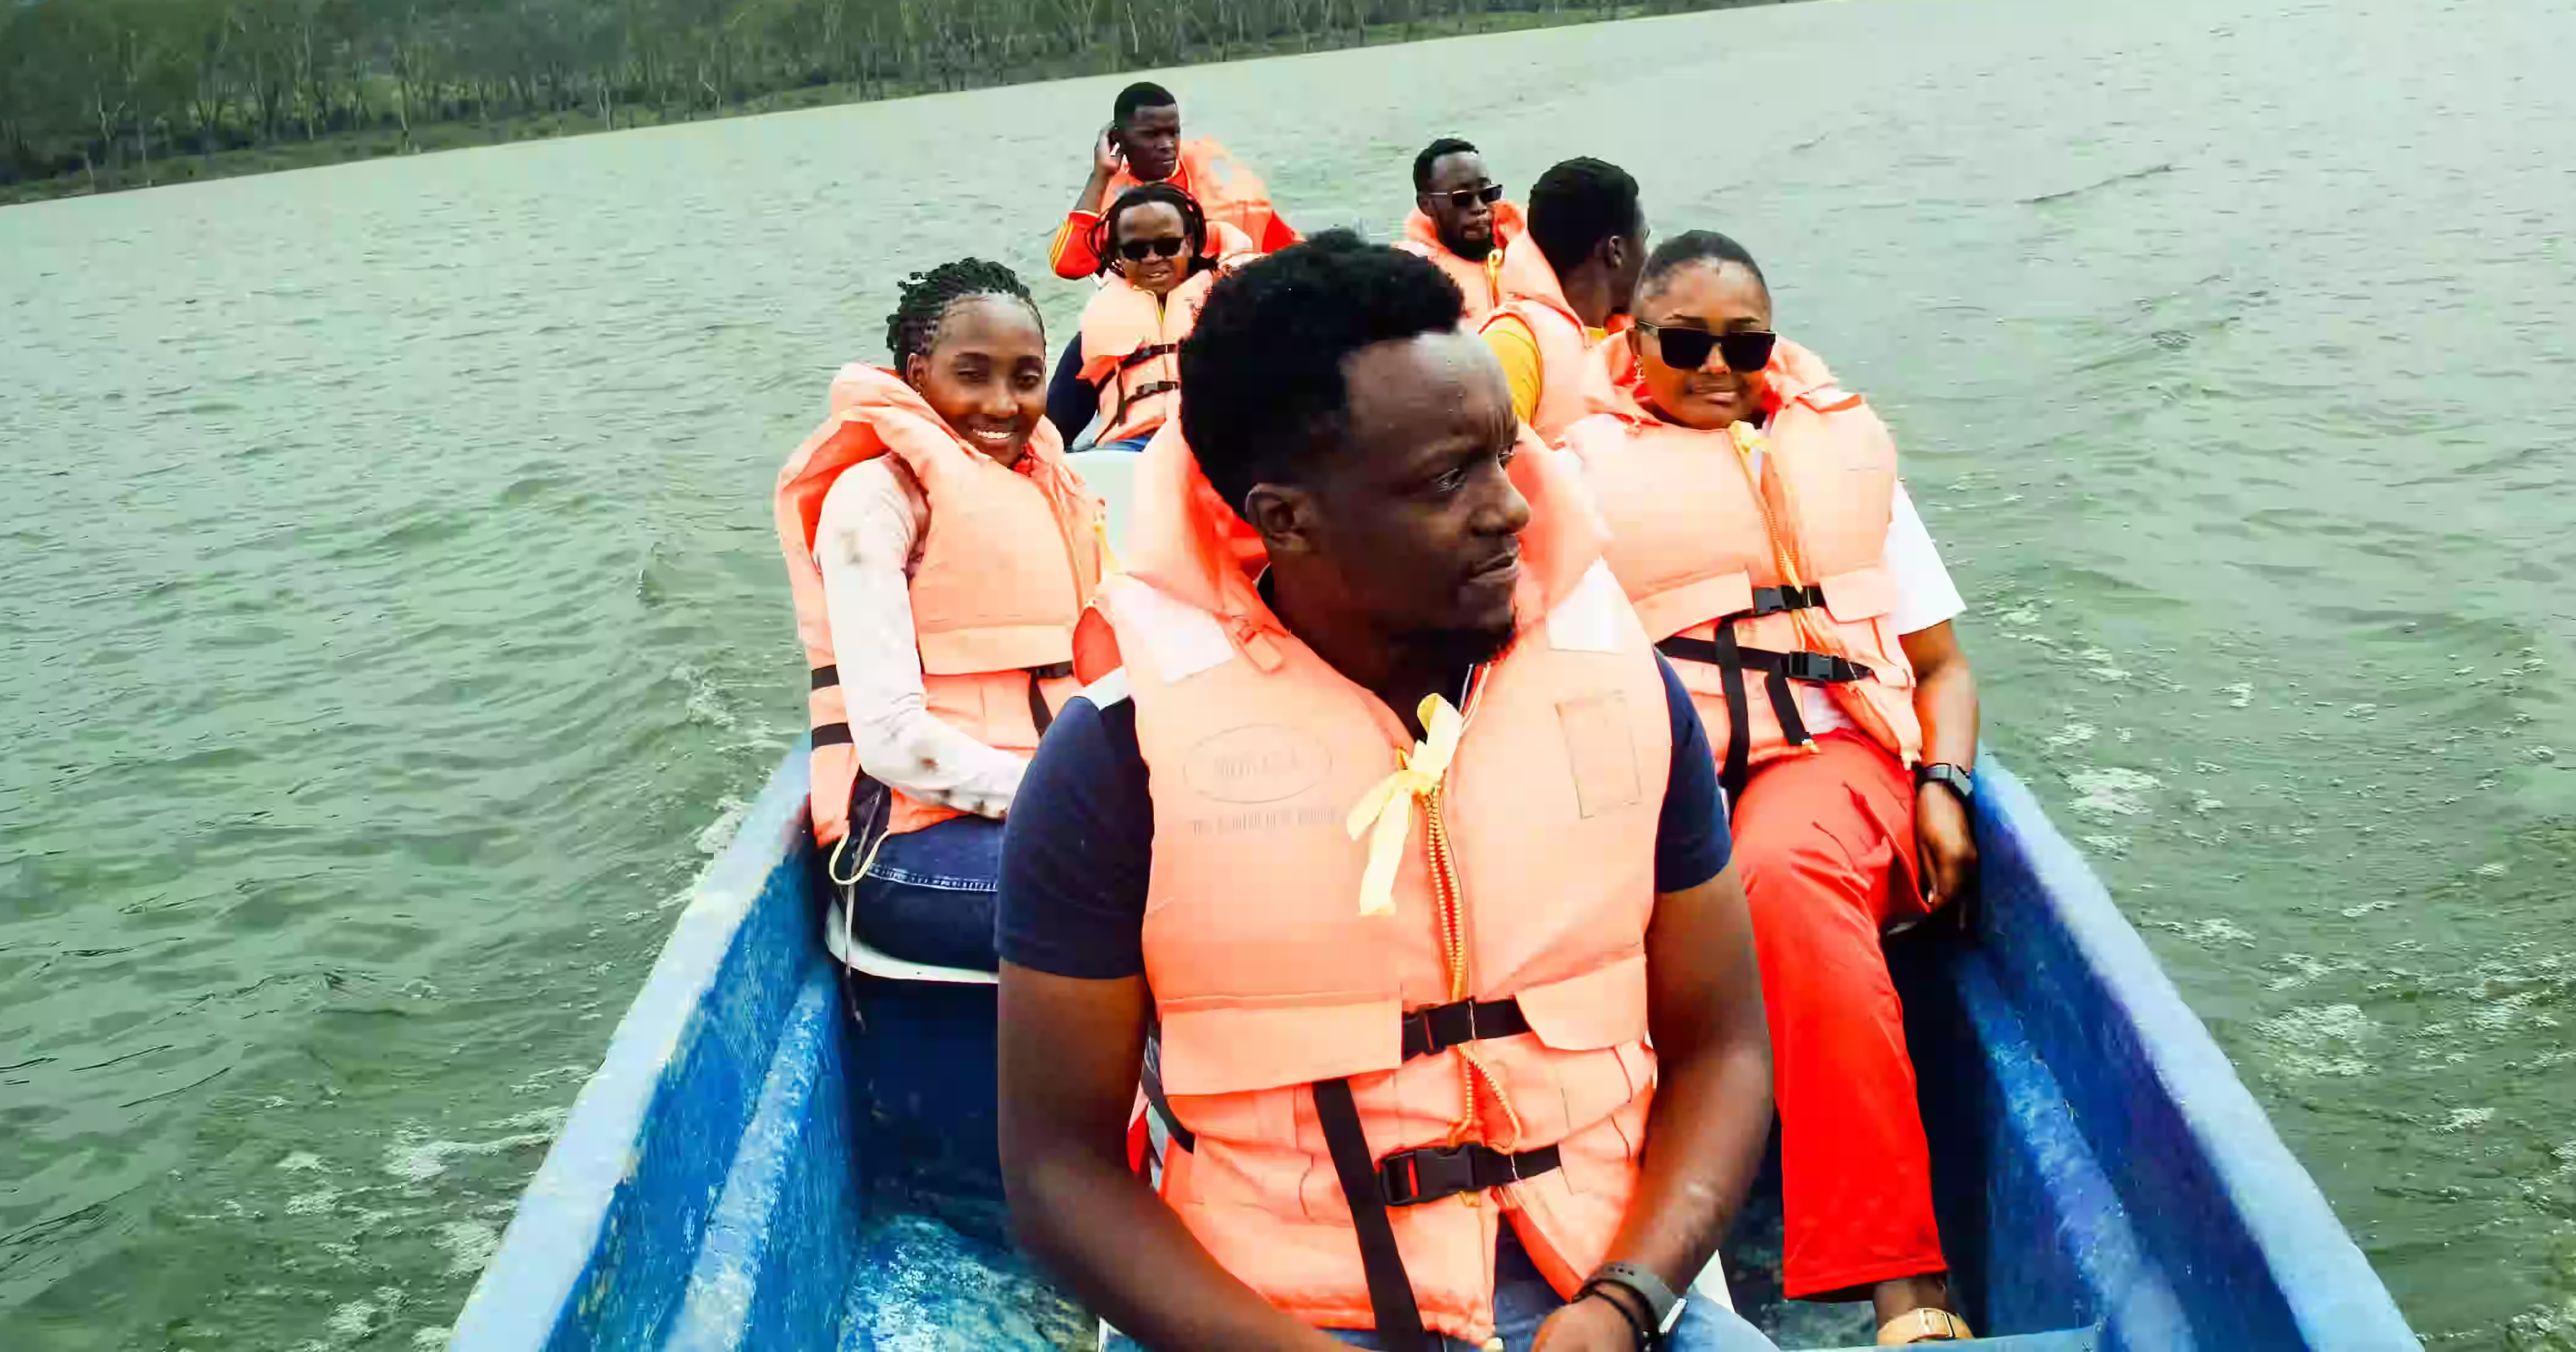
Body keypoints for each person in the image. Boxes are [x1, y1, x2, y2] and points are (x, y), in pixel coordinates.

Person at [997, 234, 1785, 1352]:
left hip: (1603, 1299)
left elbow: (1725, 1047)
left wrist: (1623, 1303)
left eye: (1503, 458)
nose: (1510, 511)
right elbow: (1057, 1168)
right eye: (1443, 480)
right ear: (1284, 520)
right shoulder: (1114, 763)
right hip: (1273, 1326)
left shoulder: (1624, 692)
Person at [1560, 231, 1982, 1347]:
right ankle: (1597, 1250)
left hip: (1829, 756)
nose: (1716, 367)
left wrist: (1941, 783)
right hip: (1658, 769)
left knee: (1778, 880)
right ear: (1629, 338)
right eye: (1685, 341)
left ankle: (1902, 1286)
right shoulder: (1571, 475)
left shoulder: (1836, 451)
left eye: (1743, 344)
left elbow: (1939, 667)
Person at [771, 259, 1104, 974]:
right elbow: (892, 741)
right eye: (972, 373)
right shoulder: (874, 501)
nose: (1002, 405)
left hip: (1051, 804)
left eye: (1026, 378)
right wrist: (1072, 803)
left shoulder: (1048, 483)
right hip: (909, 843)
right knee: (1136, 901)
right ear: (918, 375)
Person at [1048, 80, 1296, 278]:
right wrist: (1100, 175)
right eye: (1151, 135)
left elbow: (1287, 247)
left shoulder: (1217, 174)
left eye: (1173, 132)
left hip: (1236, 304)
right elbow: (1068, 265)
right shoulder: (1110, 197)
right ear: (1119, 139)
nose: (1167, 145)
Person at [1476, 156, 1646, 444]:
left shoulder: (1638, 340)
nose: (1648, 258)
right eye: (1644, 240)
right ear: (1615, 251)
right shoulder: (1513, 344)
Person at [1066, 181, 1233, 450]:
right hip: (1131, 445)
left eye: (1167, 245)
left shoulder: (1232, 300)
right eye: (1135, 250)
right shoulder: (1101, 322)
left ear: (1189, 243)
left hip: (1218, 440)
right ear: (1118, 255)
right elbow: (1060, 416)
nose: (1153, 258)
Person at [1395, 137, 1550, 316]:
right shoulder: (1408, 280)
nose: (1479, 208)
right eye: (1462, 199)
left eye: (1488, 194)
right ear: (1426, 205)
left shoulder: (1540, 246)